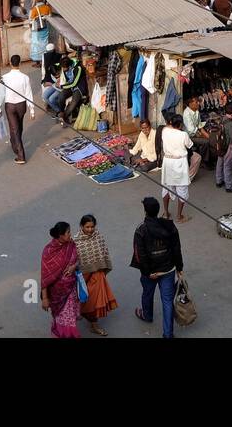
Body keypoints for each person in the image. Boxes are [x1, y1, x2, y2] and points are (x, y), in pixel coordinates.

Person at [130, 196, 184, 338]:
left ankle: (147, 315)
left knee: (147, 293)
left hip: (151, 272)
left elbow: (139, 254)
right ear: (158, 210)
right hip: (168, 269)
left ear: (145, 211)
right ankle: (168, 334)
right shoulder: (169, 226)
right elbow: (176, 248)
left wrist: (148, 272)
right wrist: (179, 267)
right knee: (167, 301)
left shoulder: (141, 230)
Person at [74, 215, 117, 336]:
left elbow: (104, 253)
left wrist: (101, 269)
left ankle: (94, 325)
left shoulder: (98, 237)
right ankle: (81, 314)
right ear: (81, 226)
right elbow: (73, 260)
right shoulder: (76, 240)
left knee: (94, 301)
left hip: (97, 275)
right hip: (82, 277)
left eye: (92, 227)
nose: (90, 229)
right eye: (87, 227)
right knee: (81, 298)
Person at [40, 222, 81, 339]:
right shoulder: (48, 251)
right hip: (57, 292)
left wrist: (74, 267)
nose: (70, 234)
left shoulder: (71, 244)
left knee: (69, 318)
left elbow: (78, 260)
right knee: (63, 318)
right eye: (68, 232)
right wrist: (45, 298)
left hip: (71, 289)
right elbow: (45, 277)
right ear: (60, 236)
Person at [0, 54, 37, 164]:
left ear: (10, 63)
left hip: (10, 106)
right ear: (20, 63)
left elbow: (1, 94)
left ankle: (21, 155)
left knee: (15, 128)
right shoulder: (25, 77)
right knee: (17, 127)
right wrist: (32, 110)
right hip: (21, 106)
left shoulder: (4, 77)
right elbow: (29, 93)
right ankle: (14, 144)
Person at [160, 113, 194, 222]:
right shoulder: (183, 135)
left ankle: (165, 213)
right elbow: (190, 145)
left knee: (166, 188)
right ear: (180, 124)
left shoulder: (165, 131)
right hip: (180, 163)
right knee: (182, 190)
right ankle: (179, 216)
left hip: (168, 162)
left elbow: (167, 126)